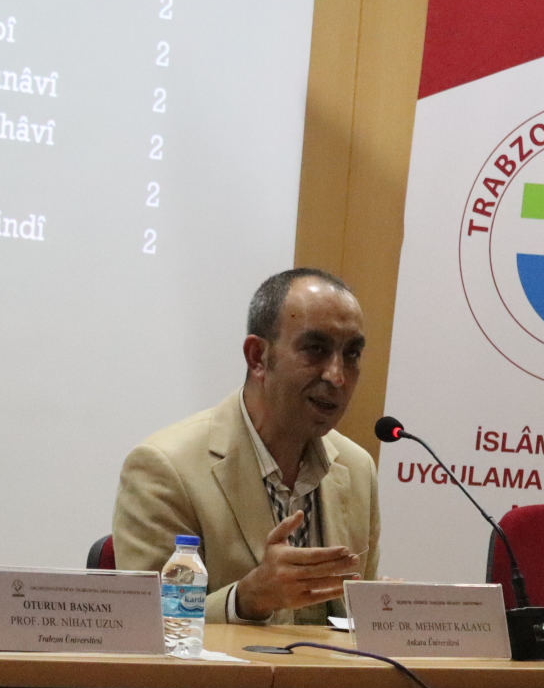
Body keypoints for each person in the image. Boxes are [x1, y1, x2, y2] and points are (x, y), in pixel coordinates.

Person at [112, 267, 379, 624]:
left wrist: (383, 613)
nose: (337, 376)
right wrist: (244, 600)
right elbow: (145, 623)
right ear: (257, 357)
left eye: (352, 354)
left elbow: (355, 622)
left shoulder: (357, 468)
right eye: (315, 350)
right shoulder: (165, 466)